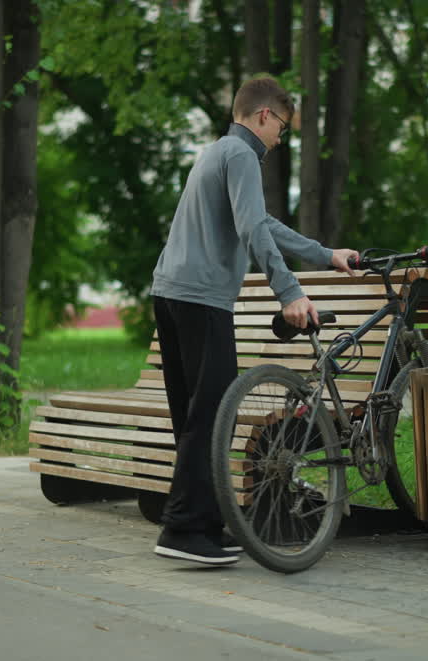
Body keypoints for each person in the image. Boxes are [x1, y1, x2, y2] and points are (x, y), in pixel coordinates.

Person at [149, 76, 359, 566]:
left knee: (196, 418)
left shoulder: (215, 151)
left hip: (171, 293)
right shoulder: (242, 155)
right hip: (201, 300)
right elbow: (251, 230)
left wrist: (325, 255)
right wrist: (289, 292)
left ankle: (196, 524)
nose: (279, 140)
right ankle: (181, 531)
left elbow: (261, 223)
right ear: (264, 115)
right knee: (212, 416)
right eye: (282, 128)